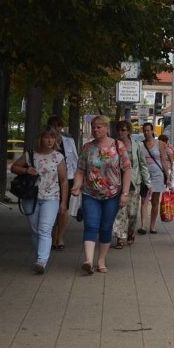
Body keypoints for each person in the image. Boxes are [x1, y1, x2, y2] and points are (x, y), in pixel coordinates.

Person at [71, 115, 132, 275]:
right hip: (90, 193)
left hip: (112, 194)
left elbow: (127, 170)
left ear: (107, 128)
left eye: (99, 127)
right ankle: (88, 261)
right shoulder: (87, 148)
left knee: (105, 227)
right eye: (93, 127)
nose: (95, 130)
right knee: (90, 225)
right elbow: (80, 170)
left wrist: (125, 193)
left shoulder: (118, 146)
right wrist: (77, 186)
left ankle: (101, 260)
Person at [11, 126, 69, 274]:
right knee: (35, 229)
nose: (50, 140)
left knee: (45, 229)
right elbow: (14, 167)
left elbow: (64, 181)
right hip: (31, 197)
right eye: (46, 137)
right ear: (41, 139)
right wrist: (26, 170)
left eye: (52, 137)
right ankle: (39, 257)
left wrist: (63, 202)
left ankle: (42, 261)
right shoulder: (31, 155)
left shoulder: (59, 157)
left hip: (51, 198)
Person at [113, 121, 151, 248]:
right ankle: (120, 238)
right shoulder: (114, 145)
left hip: (134, 182)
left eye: (123, 130)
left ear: (129, 131)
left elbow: (143, 164)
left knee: (132, 212)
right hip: (118, 182)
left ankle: (130, 232)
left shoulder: (137, 145)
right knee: (120, 212)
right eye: (119, 130)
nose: (121, 132)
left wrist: (148, 182)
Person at [47, 115, 78, 251]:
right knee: (53, 208)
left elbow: (75, 160)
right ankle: (53, 235)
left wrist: (78, 180)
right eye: (53, 125)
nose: (56, 128)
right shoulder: (47, 141)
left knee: (63, 207)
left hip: (68, 178)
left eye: (58, 125)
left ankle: (60, 236)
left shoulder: (69, 141)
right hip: (51, 180)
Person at [140, 122, 170, 235]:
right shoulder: (141, 144)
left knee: (155, 201)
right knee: (144, 200)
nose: (146, 133)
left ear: (152, 131)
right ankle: (143, 226)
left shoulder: (160, 144)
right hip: (145, 175)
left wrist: (168, 176)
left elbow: (163, 160)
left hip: (157, 174)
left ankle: (152, 225)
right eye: (144, 131)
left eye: (148, 130)